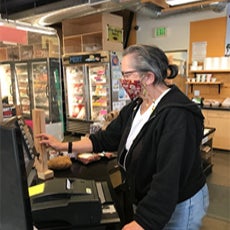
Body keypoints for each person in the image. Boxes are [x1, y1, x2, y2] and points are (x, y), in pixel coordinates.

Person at [37, 44, 209, 230]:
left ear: (149, 77)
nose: (122, 80)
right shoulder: (137, 106)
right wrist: (63, 147)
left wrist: (144, 221)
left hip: (179, 205)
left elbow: (168, 177)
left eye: (127, 74)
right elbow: (106, 138)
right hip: (147, 197)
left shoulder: (178, 116)